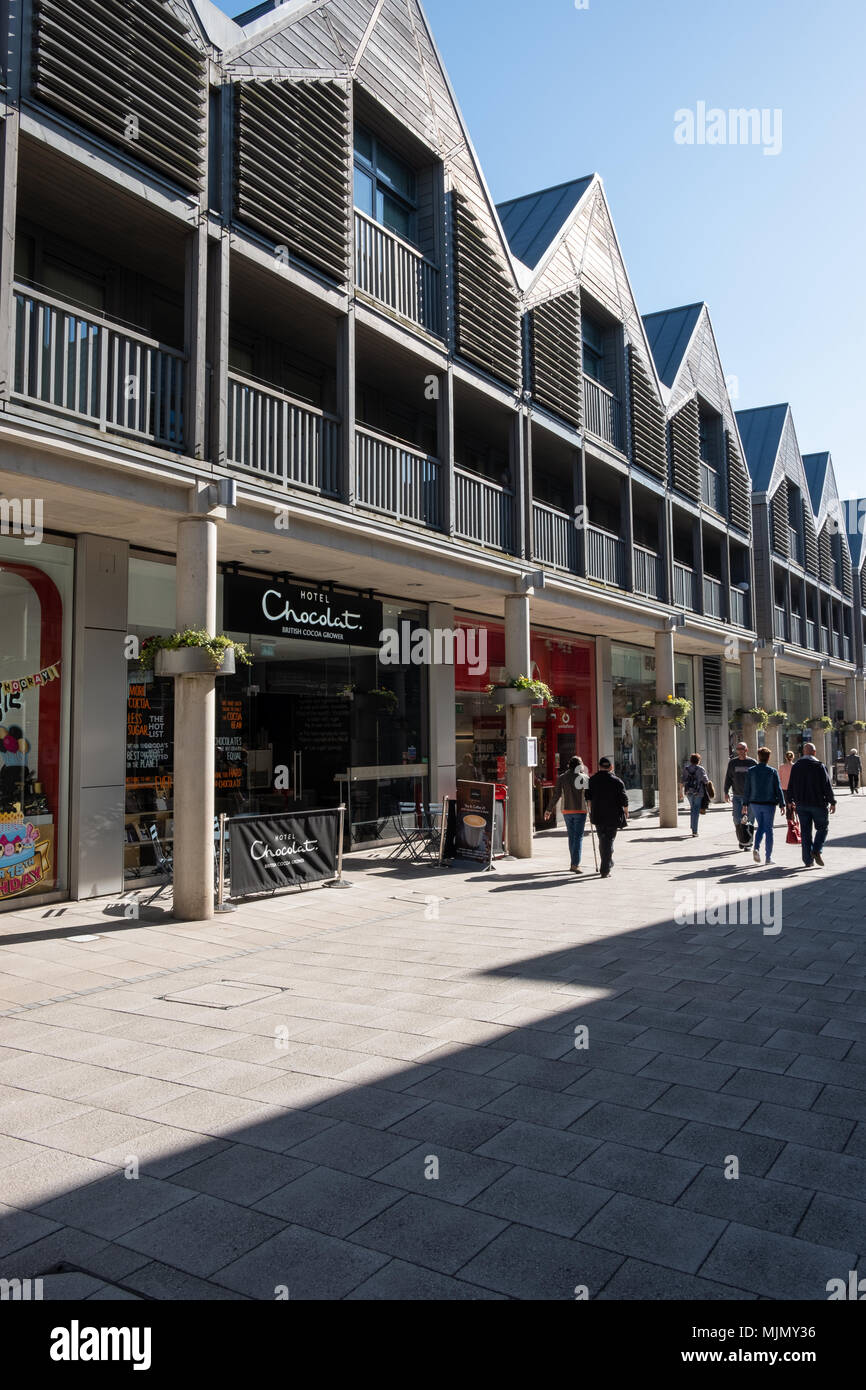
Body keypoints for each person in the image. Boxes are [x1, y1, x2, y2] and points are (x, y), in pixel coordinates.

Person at [786, 742, 837, 869]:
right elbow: (827, 785)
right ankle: (816, 849)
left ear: (803, 752)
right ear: (814, 752)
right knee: (822, 828)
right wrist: (832, 801)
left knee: (805, 832)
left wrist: (789, 800)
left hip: (801, 804)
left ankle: (807, 860)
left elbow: (790, 784)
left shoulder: (796, 766)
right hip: (818, 804)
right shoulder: (819, 766)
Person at [586, 756, 628, 879]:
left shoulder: (592, 780)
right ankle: (605, 869)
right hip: (612, 815)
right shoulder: (617, 781)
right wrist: (626, 810)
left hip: (598, 814)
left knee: (603, 840)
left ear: (599, 767)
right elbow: (623, 798)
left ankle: (608, 861)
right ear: (611, 767)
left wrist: (590, 810)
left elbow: (588, 798)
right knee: (608, 840)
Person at [545, 755, 589, 873]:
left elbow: (556, 795)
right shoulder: (584, 777)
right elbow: (589, 796)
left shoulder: (562, 778)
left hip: (567, 810)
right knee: (578, 837)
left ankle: (573, 862)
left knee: (572, 836)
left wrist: (549, 809)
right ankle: (575, 864)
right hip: (580, 810)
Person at [744, 747, 786, 866]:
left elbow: (747, 788)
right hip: (769, 803)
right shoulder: (772, 771)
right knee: (768, 829)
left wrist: (745, 804)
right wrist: (782, 804)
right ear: (768, 758)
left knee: (761, 826)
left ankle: (756, 847)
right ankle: (768, 857)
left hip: (755, 803)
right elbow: (778, 788)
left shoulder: (751, 771)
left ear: (758, 757)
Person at [724, 741, 758, 850]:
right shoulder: (732, 763)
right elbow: (728, 778)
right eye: (738, 749)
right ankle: (741, 839)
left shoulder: (752, 763)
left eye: (742, 749)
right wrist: (726, 792)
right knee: (737, 819)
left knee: (750, 820)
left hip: (750, 797)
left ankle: (748, 842)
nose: (740, 751)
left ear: (746, 750)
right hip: (737, 796)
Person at [682, 753, 710, 837]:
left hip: (688, 792)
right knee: (696, 810)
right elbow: (706, 781)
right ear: (698, 760)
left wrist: (681, 792)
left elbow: (683, 780)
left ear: (690, 760)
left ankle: (692, 825)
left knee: (692, 808)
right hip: (698, 792)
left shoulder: (686, 769)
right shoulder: (701, 769)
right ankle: (695, 831)